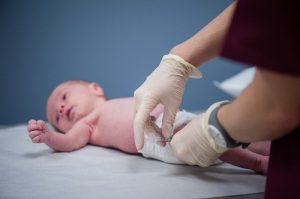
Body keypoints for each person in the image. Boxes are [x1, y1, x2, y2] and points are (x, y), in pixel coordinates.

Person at [133, 1, 300, 198]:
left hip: (178, 125)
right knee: (228, 146)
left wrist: (215, 128)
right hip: (167, 139)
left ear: (96, 89)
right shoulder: (93, 117)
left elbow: (276, 105)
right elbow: (264, 10)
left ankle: (259, 157)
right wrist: (179, 58)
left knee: (225, 142)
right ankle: (258, 159)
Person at [27, 80, 269, 173]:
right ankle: (257, 163)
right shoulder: (87, 125)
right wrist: (50, 137)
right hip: (160, 140)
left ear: (95, 88)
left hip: (174, 117)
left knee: (223, 129)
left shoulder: (115, 102)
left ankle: (268, 146)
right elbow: (68, 143)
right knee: (210, 141)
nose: (60, 109)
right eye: (56, 119)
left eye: (64, 96)